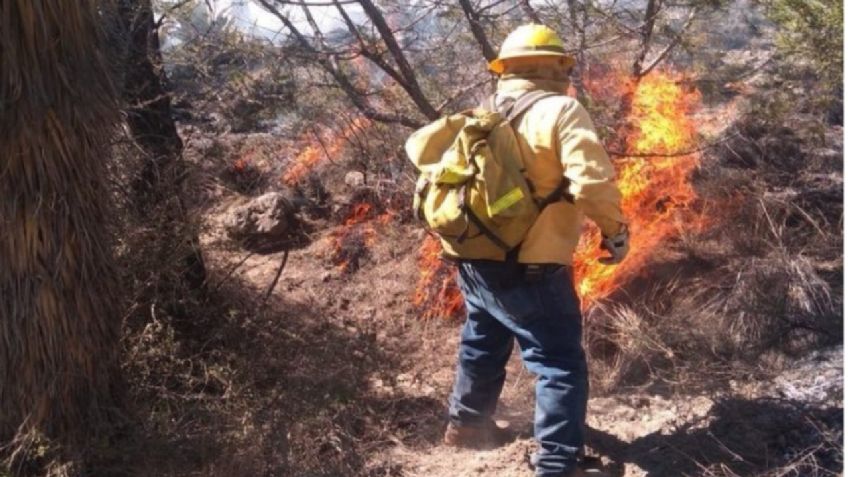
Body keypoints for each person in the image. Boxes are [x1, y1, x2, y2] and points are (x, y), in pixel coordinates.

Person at [442, 24, 629, 477]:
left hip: (474, 255)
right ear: (558, 65)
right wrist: (615, 232)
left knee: (482, 339)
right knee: (559, 363)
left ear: (505, 69)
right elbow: (591, 181)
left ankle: (467, 427)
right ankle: (558, 463)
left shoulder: (482, 112)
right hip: (531, 264)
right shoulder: (562, 110)